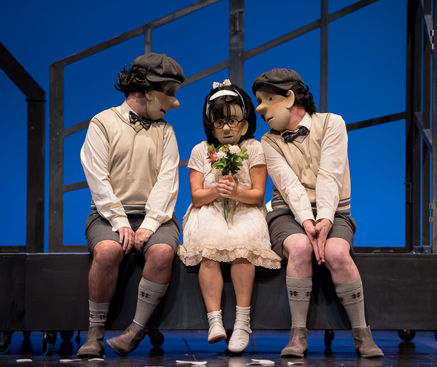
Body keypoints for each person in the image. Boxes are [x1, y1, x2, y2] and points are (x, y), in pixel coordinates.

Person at [252, 68, 383, 358]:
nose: (260, 108)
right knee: (299, 248)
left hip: (334, 211)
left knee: (336, 253)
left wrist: (324, 220)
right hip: (289, 213)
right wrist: (309, 224)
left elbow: (330, 175)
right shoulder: (268, 141)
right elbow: (289, 187)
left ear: (289, 97)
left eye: (267, 99)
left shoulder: (332, 123)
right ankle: (298, 334)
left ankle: (362, 332)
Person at [77, 52, 184, 358]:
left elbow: (167, 183)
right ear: (147, 89)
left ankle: (135, 331)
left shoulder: (166, 131)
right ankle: (95, 334)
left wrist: (149, 225)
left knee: (163, 251)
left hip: (157, 216)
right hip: (109, 215)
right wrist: (120, 221)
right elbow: (97, 177)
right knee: (108, 250)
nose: (174, 103)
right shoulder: (103, 123)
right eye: (169, 93)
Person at [178, 80, 281, 353]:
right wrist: (216, 191)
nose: (226, 128)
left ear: (245, 122)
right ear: (210, 123)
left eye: (233, 121)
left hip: (246, 210)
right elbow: (197, 196)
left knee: (242, 247)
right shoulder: (201, 151)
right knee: (209, 249)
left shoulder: (254, 148)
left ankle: (242, 322)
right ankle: (215, 321)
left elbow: (258, 194)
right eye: (220, 121)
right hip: (209, 209)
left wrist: (235, 192)